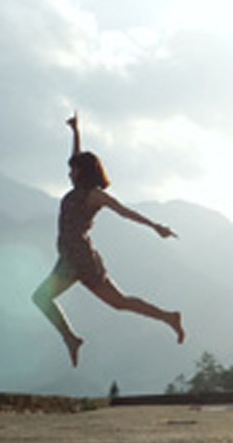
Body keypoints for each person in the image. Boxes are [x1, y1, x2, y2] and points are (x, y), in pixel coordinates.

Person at [31, 112, 184, 367]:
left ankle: (72, 339)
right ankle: (168, 317)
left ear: (81, 172)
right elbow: (77, 156)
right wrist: (75, 132)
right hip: (68, 258)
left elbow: (124, 211)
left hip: (79, 260)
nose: (69, 173)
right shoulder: (77, 190)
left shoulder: (94, 195)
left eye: (73, 169)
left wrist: (156, 227)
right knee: (118, 303)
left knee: (46, 298)